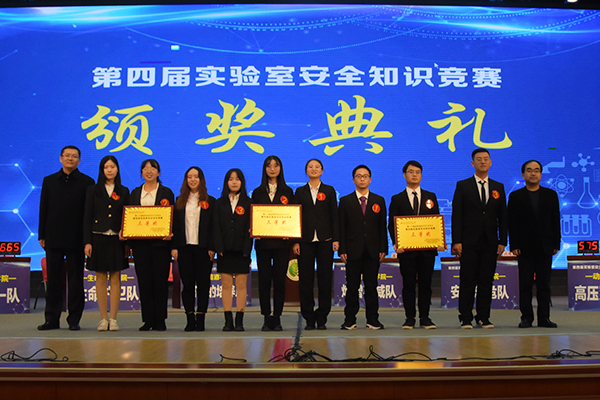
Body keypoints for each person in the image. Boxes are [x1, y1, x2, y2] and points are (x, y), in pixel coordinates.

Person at [38, 145, 94, 331]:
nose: (70, 159)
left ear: (79, 160)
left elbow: (88, 213)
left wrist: (87, 239)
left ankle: (74, 320)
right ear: (61, 158)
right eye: (67, 156)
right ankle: (51, 319)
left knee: (76, 281)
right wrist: (42, 234)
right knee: (54, 281)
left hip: (76, 238)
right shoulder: (49, 181)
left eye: (74, 156)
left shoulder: (87, 182)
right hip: (53, 237)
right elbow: (43, 208)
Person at [452, 148, 507, 329]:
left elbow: (503, 216)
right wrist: (457, 241)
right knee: (467, 280)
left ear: (490, 162)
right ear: (472, 163)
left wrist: (502, 241)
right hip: (468, 242)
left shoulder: (498, 187)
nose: (482, 162)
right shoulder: (463, 185)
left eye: (486, 159)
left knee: (486, 280)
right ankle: (465, 317)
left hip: (490, 242)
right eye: (479, 159)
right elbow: (457, 215)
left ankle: (483, 316)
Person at [388, 160, 445, 330]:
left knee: (426, 285)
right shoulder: (397, 198)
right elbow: (392, 224)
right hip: (406, 251)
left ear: (421, 175)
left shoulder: (430, 196)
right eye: (411, 172)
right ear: (404, 175)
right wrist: (397, 243)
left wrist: (438, 241)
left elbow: (435, 222)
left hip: (427, 251)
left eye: (418, 172)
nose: (414, 175)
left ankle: (425, 317)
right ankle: (410, 318)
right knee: (408, 285)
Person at [508, 160, 561, 328]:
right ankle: (526, 318)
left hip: (545, 246)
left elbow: (555, 220)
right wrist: (514, 244)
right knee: (525, 284)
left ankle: (544, 318)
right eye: (529, 170)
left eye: (536, 170)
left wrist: (556, 243)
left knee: (544, 285)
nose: (533, 173)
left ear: (540, 174)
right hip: (524, 248)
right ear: (523, 174)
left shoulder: (550, 195)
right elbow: (512, 223)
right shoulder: (516, 196)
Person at [83, 155, 130, 332]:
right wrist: (87, 241)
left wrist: (127, 238)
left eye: (112, 167)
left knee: (116, 277)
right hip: (98, 238)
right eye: (106, 167)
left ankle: (114, 319)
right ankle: (103, 319)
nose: (109, 170)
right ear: (102, 170)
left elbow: (127, 216)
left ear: (117, 169)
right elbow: (87, 216)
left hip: (117, 239)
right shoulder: (92, 190)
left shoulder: (123, 190)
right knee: (100, 277)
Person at [339, 165, 388, 330]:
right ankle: (349, 320)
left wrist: (383, 248)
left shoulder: (379, 200)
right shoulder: (345, 201)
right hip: (352, 250)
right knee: (352, 287)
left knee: (371, 287)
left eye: (365, 176)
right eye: (358, 176)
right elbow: (342, 227)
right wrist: (342, 249)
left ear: (370, 179)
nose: (362, 179)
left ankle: (372, 319)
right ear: (353, 179)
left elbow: (382, 226)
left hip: (373, 250)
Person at [292, 159, 339, 330]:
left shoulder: (329, 190)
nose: (313, 169)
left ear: (322, 170)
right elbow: (295, 216)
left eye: (317, 167)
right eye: (310, 167)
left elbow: (334, 215)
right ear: (306, 171)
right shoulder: (300, 191)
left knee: (325, 280)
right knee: (305, 280)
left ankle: (322, 317)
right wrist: (295, 240)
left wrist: (336, 239)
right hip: (305, 241)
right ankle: (309, 317)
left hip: (325, 241)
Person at [129, 159, 175, 331]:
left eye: (152, 168)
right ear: (142, 173)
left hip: (160, 245)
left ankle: (160, 319)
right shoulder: (135, 193)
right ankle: (148, 319)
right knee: (144, 281)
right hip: (140, 246)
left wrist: (170, 234)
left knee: (160, 282)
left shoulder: (166, 192)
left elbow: (172, 217)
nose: (149, 171)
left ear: (158, 172)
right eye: (145, 169)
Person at [251, 155, 294, 331]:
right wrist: (254, 229)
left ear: (280, 168)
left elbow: (292, 217)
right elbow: (253, 216)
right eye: (269, 166)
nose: (272, 169)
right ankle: (266, 317)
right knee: (264, 280)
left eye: (276, 165)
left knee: (279, 281)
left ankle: (277, 317)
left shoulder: (288, 191)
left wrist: (290, 233)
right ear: (265, 169)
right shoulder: (257, 192)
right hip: (263, 244)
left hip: (282, 244)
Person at [171, 167, 215, 332]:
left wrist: (212, 247)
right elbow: (174, 226)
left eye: (196, 177)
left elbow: (213, 227)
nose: (193, 180)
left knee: (203, 285)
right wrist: (174, 247)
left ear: (201, 179)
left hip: (203, 249)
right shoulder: (179, 201)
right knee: (188, 285)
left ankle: (201, 318)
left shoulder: (210, 201)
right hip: (184, 248)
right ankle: (190, 318)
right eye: (189, 177)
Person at [214, 169, 253, 332]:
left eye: (237, 179)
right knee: (226, 285)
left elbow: (251, 228)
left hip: (242, 249)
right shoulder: (219, 203)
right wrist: (218, 247)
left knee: (241, 285)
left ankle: (239, 320)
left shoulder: (249, 202)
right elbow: (216, 227)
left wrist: (247, 249)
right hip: (224, 250)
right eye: (231, 179)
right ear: (226, 182)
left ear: (242, 182)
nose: (234, 182)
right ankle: (228, 320)